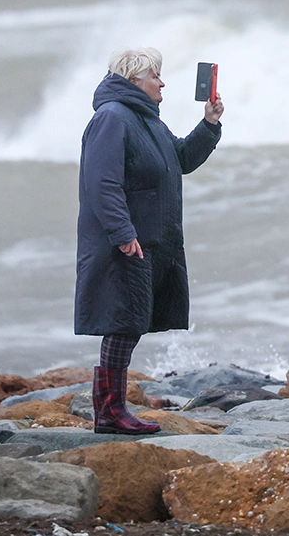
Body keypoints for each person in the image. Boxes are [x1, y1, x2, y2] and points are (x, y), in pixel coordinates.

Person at [75, 47, 223, 434]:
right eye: (155, 76)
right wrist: (122, 233)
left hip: (152, 240)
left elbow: (181, 159)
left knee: (131, 322)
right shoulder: (111, 119)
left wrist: (208, 125)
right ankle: (109, 412)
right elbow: (101, 182)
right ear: (134, 81)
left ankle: (113, 409)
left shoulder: (147, 122)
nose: (162, 82)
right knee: (122, 323)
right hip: (126, 240)